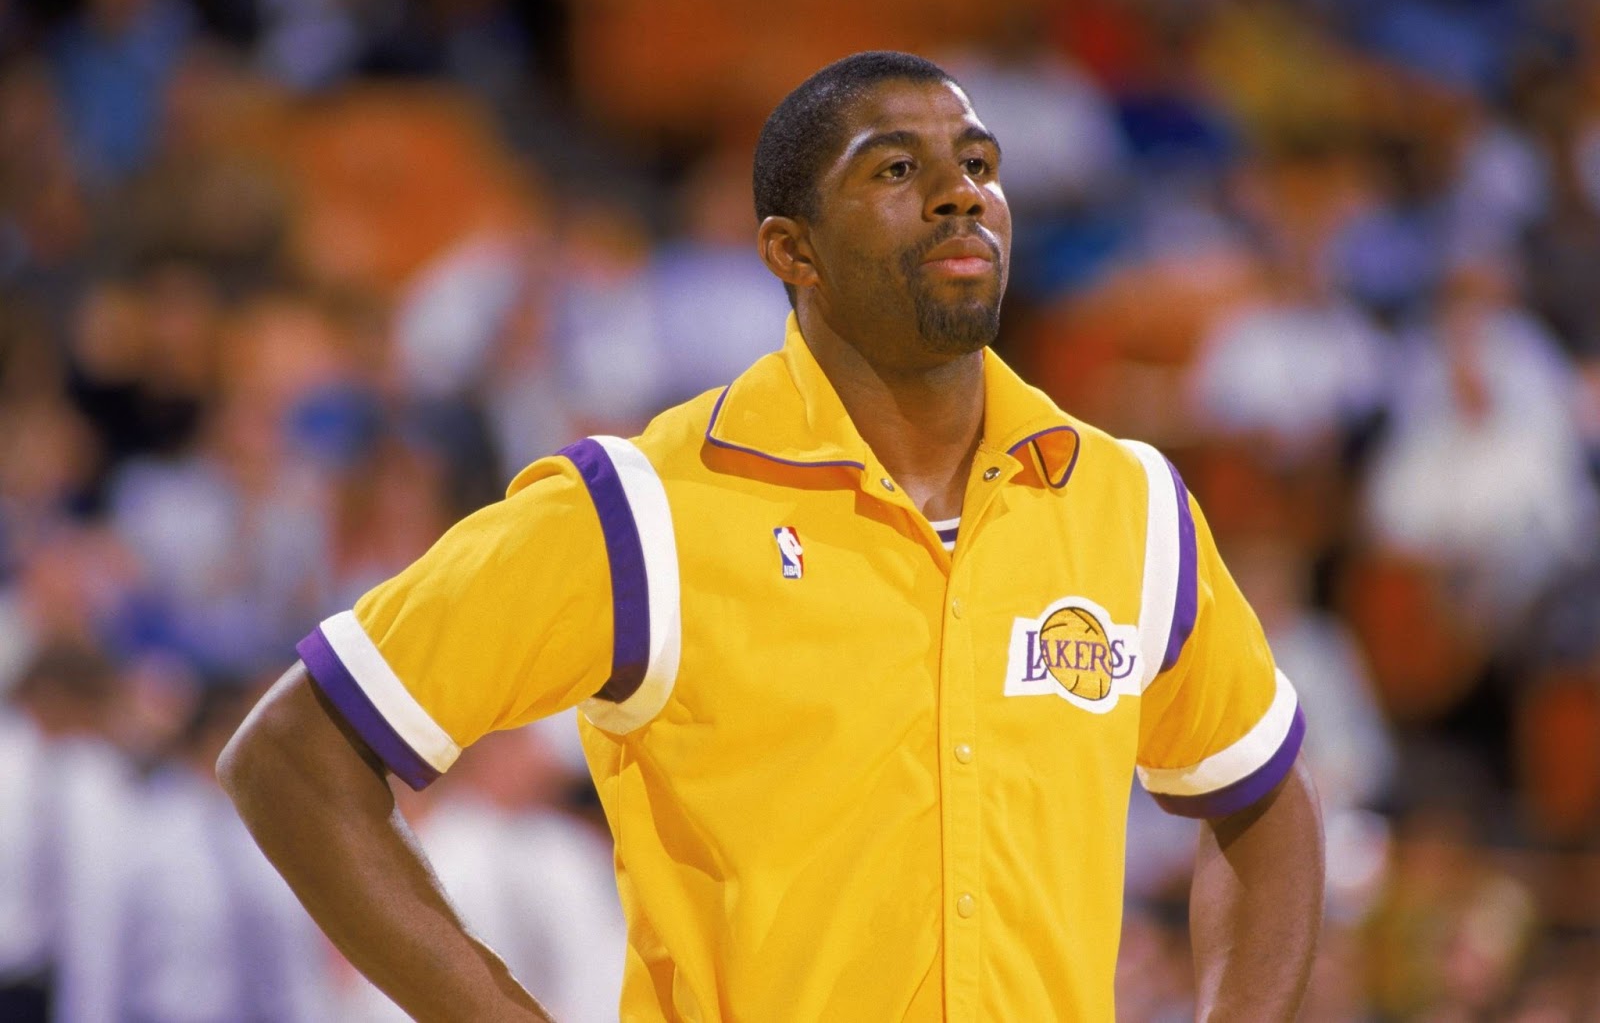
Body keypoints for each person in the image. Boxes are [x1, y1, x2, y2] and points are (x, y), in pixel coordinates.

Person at [220, 51, 1324, 1021]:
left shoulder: (1127, 500)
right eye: (897, 169)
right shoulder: (642, 510)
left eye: (979, 164)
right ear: (792, 250)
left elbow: (1260, 794)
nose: (960, 193)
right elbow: (293, 755)